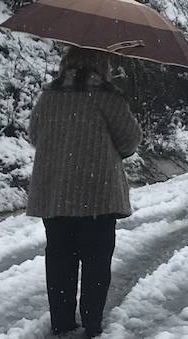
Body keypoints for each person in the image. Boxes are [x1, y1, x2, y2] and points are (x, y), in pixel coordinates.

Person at [27, 46, 142, 338]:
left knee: (59, 261)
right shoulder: (108, 97)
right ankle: (92, 324)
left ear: (65, 65)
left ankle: (62, 323)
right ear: (102, 65)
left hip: (55, 194)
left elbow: (34, 135)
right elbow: (129, 142)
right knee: (96, 263)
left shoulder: (49, 96)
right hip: (98, 197)